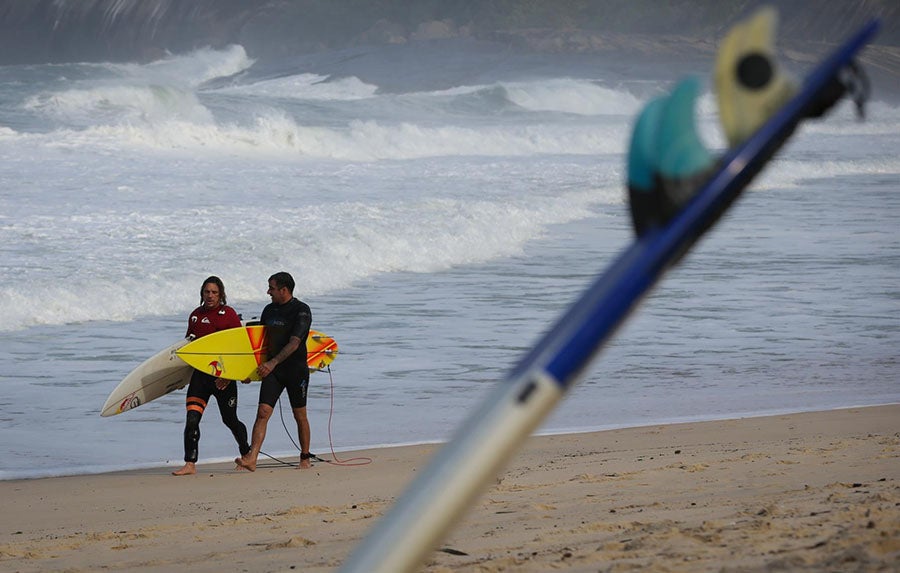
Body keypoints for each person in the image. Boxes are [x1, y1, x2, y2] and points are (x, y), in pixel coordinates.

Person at [172, 276, 251, 476]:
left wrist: (230, 375)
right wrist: (182, 377)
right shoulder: (195, 316)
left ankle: (246, 453)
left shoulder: (229, 314)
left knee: (230, 420)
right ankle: (190, 463)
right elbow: (190, 348)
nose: (210, 295)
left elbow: (238, 347)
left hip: (223, 379)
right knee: (192, 419)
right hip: (200, 378)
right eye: (207, 292)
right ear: (202, 293)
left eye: (214, 292)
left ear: (221, 294)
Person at [235, 271, 313, 471]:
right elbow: (260, 344)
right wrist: (248, 371)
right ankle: (252, 458)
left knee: (299, 415)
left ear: (284, 290)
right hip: (274, 371)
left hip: (296, 370)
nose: (268, 292)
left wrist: (273, 363)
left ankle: (305, 457)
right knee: (263, 412)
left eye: (272, 288)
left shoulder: (301, 310)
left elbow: (295, 343)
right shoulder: (269, 310)